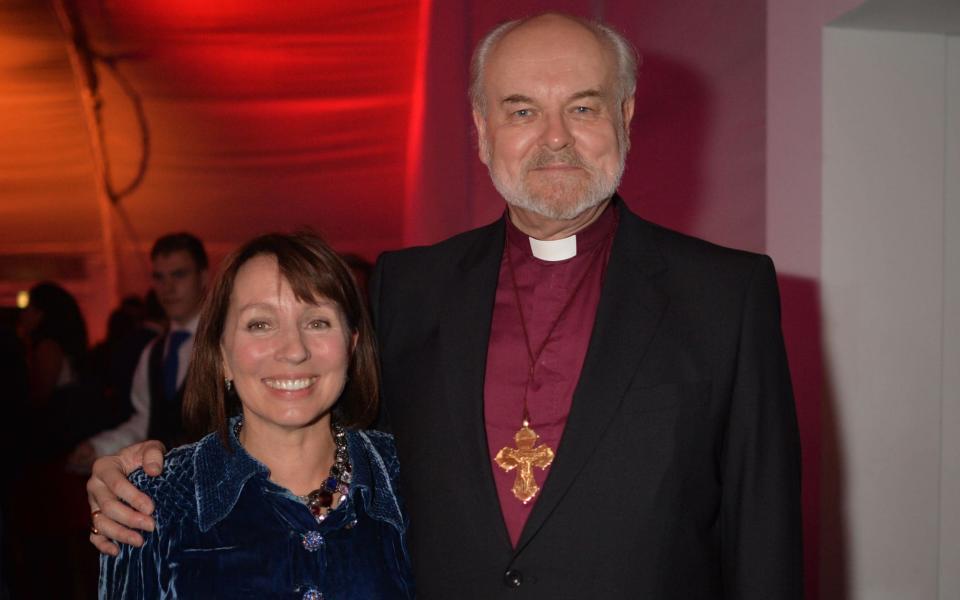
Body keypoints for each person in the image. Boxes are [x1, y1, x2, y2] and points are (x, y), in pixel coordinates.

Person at [86, 12, 802, 599]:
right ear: (483, 129)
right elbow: (324, 437)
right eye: (522, 109)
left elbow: (764, 538)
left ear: (626, 115)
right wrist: (152, 471)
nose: (554, 136)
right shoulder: (411, 288)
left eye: (582, 107)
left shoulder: (724, 295)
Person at [98, 232, 414, 598]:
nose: (294, 350)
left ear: (352, 345)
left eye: (317, 322)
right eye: (260, 324)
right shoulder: (155, 501)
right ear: (222, 356)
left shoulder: (409, 479)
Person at [68, 233, 207, 471]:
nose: (168, 287)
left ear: (204, 277)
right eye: (159, 277)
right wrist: (99, 447)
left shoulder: (226, 343)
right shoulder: (153, 351)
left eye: (179, 274)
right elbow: (145, 420)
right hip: (162, 485)